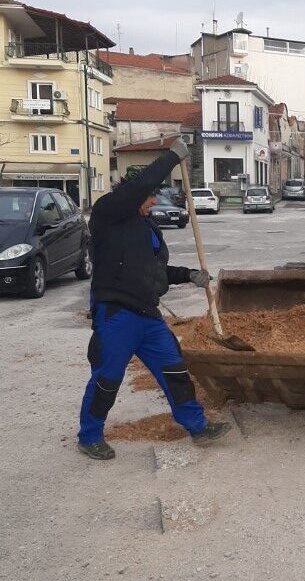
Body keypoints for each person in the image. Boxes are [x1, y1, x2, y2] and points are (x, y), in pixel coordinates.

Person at [77, 140, 230, 460]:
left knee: (175, 371)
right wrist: (171, 157)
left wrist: (188, 275)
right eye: (150, 195)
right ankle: (89, 436)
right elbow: (139, 187)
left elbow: (153, 270)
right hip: (117, 314)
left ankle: (198, 427)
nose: (154, 200)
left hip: (148, 315)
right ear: (134, 193)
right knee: (107, 378)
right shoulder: (108, 213)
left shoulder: (146, 226)